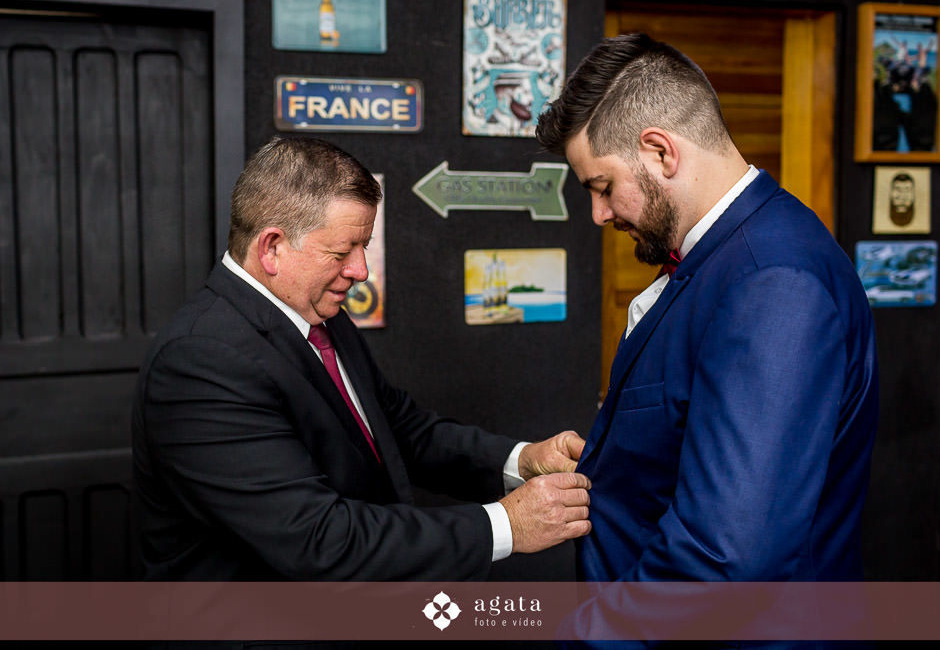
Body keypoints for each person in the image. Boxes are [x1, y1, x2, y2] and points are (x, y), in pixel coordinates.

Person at [535, 34, 878, 641]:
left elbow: (727, 556)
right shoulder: (720, 258)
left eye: (602, 186)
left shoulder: (773, 282)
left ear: (660, 151)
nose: (599, 213)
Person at [131, 136, 591, 581]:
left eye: (363, 246)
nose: (361, 271)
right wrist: (507, 525)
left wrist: (521, 460)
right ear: (272, 248)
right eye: (341, 252)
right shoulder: (200, 361)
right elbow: (318, 540)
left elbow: (399, 430)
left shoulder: (318, 313)